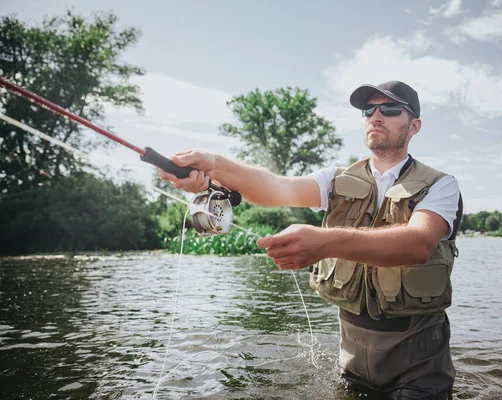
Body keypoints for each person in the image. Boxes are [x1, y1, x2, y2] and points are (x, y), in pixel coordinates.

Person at [158, 81, 462, 399]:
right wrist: (215, 165)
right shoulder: (334, 179)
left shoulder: (441, 185)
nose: (375, 116)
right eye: (368, 110)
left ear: (414, 126)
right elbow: (274, 187)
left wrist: (324, 241)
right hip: (353, 363)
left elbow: (417, 243)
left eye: (388, 108)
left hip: (419, 366)